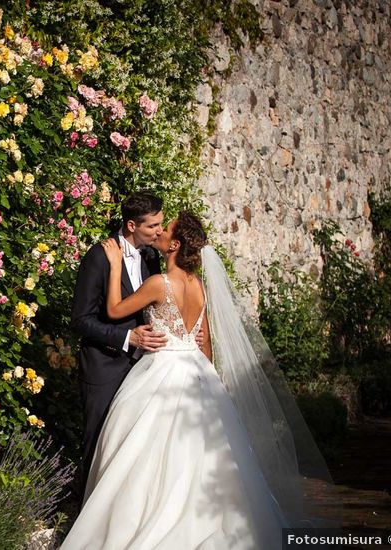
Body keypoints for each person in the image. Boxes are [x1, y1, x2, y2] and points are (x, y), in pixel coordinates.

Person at [61, 211, 295, 550]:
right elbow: (205, 341)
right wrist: (207, 381)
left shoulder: (160, 284)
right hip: (196, 372)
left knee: (144, 451)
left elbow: (113, 310)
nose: (160, 231)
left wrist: (114, 265)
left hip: (161, 368)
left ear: (175, 244)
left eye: (166, 228)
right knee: (199, 455)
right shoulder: (198, 286)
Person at [70, 191, 169, 498]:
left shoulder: (151, 257)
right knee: (98, 442)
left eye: (161, 225)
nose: (160, 232)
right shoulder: (99, 256)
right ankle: (84, 522)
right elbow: (81, 319)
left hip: (144, 368)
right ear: (130, 225)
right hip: (104, 365)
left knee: (132, 447)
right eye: (153, 226)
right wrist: (128, 337)